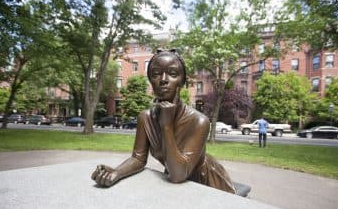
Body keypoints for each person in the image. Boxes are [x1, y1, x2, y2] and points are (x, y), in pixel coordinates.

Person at [91, 49, 236, 194]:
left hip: (206, 183)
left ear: (182, 80)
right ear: (151, 80)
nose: (163, 79)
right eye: (156, 74)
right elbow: (138, 158)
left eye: (172, 74)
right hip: (174, 177)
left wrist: (166, 126)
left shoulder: (199, 121)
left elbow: (179, 175)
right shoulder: (145, 118)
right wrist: (117, 172)